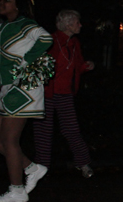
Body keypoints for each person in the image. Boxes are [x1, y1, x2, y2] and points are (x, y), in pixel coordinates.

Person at [0, 0, 53, 202]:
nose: (1, 2)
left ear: (17, 5)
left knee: (9, 140)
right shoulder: (1, 27)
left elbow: (45, 38)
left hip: (23, 87)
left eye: (7, 0)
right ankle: (32, 168)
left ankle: (17, 190)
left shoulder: (27, 25)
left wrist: (26, 61)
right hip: (6, 87)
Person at [33, 10, 95, 178]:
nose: (80, 25)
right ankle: (41, 168)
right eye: (76, 22)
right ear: (67, 24)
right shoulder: (51, 40)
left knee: (71, 129)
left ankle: (83, 163)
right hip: (47, 93)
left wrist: (86, 66)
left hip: (65, 93)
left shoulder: (74, 43)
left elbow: (76, 66)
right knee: (43, 131)